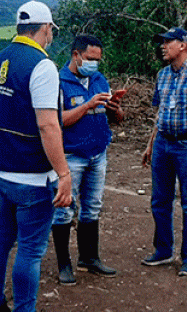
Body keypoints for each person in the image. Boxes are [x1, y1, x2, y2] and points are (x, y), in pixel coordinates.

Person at [0, 0, 73, 312]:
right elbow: (48, 125)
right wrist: (63, 173)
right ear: (45, 28)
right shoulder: (42, 66)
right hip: (31, 175)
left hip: (0, 166)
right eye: (51, 30)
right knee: (31, 250)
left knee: (1, 239)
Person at [141, 26, 187, 277]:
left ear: (183, 45)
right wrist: (151, 144)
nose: (163, 46)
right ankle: (163, 251)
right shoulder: (162, 75)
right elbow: (160, 112)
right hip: (163, 142)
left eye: (168, 42)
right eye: (162, 42)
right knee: (160, 201)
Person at [51, 34, 124, 286]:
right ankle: (64, 265)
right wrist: (87, 105)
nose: (94, 64)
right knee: (63, 211)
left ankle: (89, 258)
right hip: (71, 155)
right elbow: (58, 121)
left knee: (92, 206)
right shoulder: (59, 82)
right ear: (76, 55)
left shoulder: (99, 79)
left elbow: (115, 118)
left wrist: (116, 109)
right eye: (91, 59)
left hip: (98, 152)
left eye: (98, 60)